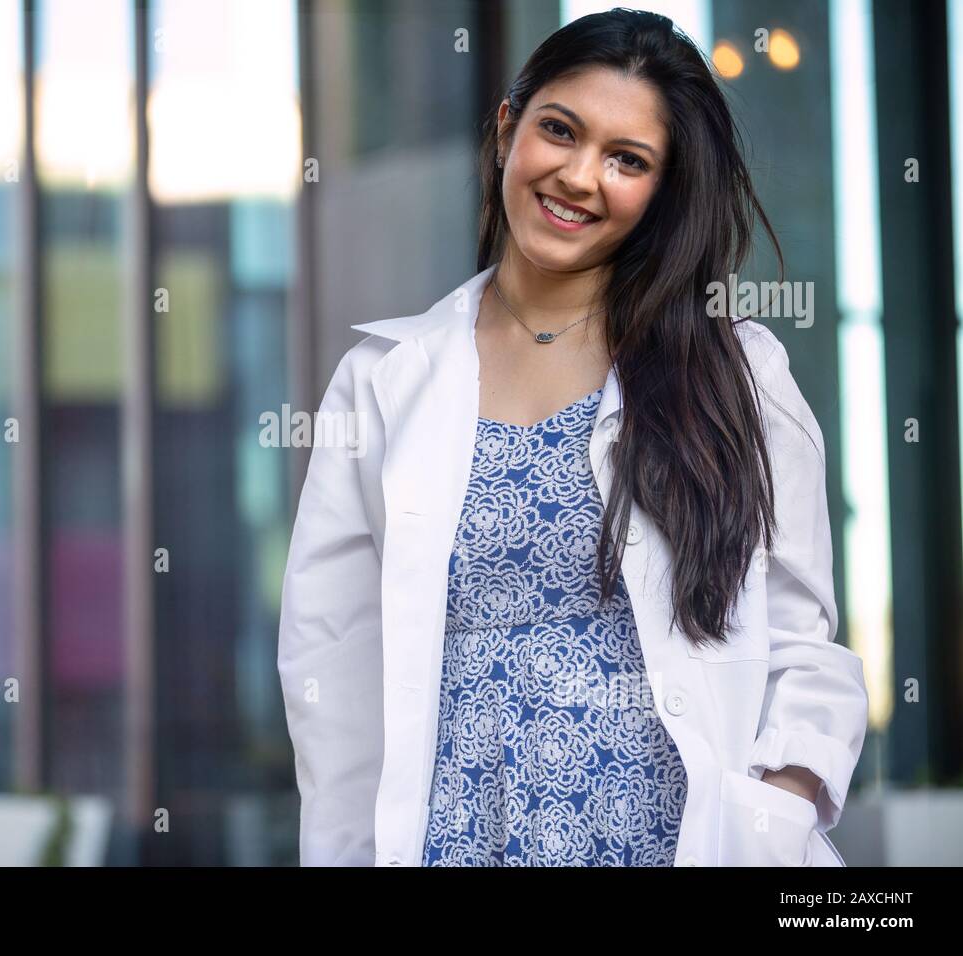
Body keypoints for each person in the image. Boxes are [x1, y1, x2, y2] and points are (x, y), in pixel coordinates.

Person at [277, 8, 868, 866]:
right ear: (509, 127)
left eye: (628, 160)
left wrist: (774, 820)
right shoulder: (382, 380)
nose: (580, 176)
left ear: (661, 191)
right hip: (454, 840)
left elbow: (804, 643)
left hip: (674, 843)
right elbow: (329, 669)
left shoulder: (737, 373)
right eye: (561, 131)